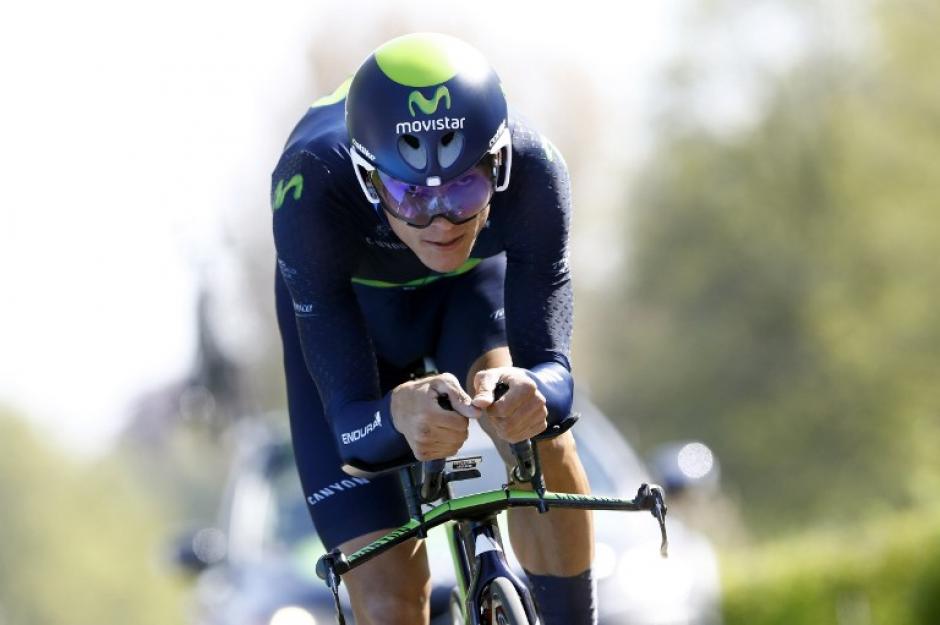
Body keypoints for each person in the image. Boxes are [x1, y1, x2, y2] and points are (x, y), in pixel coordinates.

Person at [272, 32, 595, 624]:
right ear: (370, 180)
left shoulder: (536, 167)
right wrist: (393, 413)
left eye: (465, 187)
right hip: (358, 327)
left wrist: (536, 393)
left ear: (497, 163)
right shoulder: (310, 186)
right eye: (409, 193)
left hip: (469, 302)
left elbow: (555, 374)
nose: (442, 220)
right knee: (389, 597)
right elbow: (348, 428)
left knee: (539, 434)